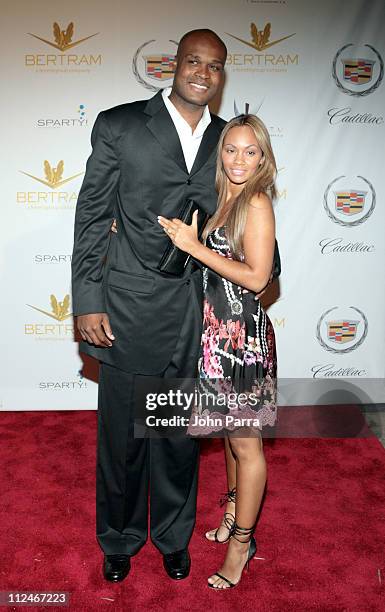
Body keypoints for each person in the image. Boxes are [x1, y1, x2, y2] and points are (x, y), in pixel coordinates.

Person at [71, 29, 227, 582]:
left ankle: (171, 536)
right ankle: (119, 537)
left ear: (221, 74)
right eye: (193, 61)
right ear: (174, 64)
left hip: (195, 310)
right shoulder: (120, 124)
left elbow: (238, 214)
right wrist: (88, 299)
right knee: (123, 439)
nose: (202, 73)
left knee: (177, 436)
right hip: (127, 306)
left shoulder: (228, 139)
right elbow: (92, 216)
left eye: (213, 65)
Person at [158, 113, 278, 589]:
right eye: (232, 149)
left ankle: (242, 545)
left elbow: (257, 278)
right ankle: (232, 510)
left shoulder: (258, 202)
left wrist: (195, 245)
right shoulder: (224, 199)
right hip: (214, 337)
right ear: (220, 153)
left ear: (263, 158)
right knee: (228, 437)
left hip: (242, 340)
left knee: (247, 445)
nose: (239, 159)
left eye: (251, 151)